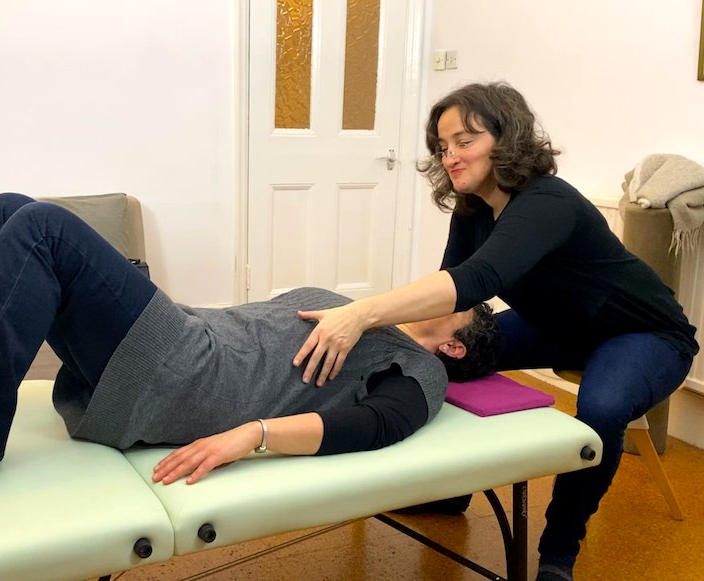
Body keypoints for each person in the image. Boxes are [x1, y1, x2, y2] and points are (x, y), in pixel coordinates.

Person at [0, 193, 499, 504]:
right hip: (182, 335)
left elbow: (375, 427)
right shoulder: (368, 312)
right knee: (5, 211)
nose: (441, 287)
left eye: (457, 297)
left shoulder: (417, 370)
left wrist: (251, 436)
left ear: (455, 346)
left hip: (190, 376)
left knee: (42, 227)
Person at [291, 82, 698, 581]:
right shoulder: (472, 209)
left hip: (643, 333)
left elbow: (478, 279)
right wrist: (411, 338)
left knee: (602, 410)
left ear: (506, 139)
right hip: (557, 326)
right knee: (441, 358)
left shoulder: (548, 202)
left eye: (465, 141)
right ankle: (450, 490)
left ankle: (558, 555)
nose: (450, 157)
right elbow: (451, 294)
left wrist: (363, 313)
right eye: (443, 147)